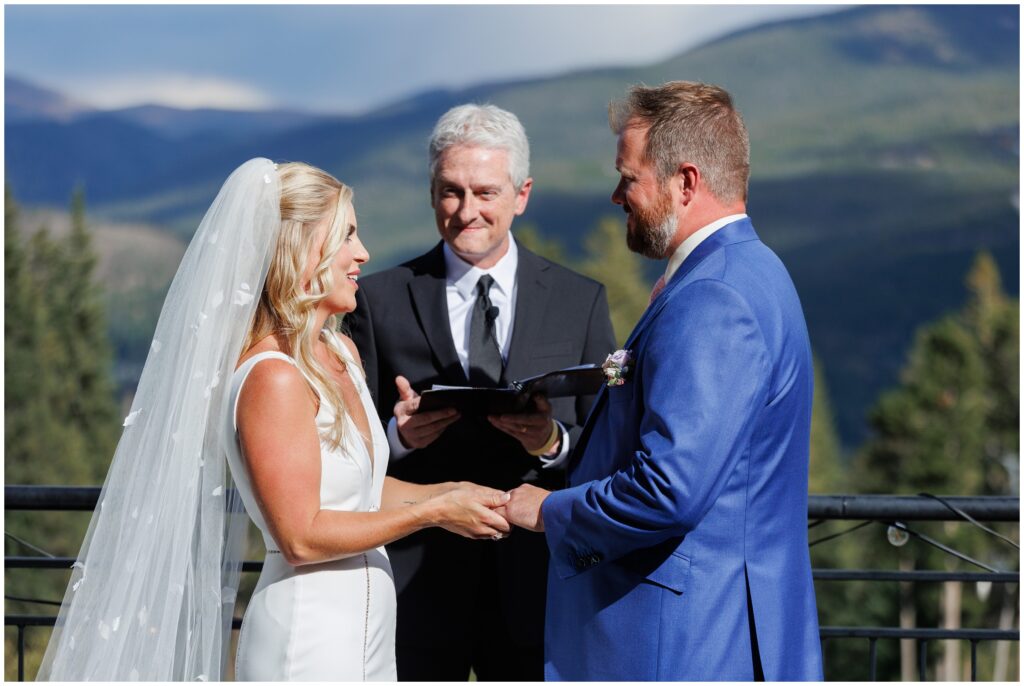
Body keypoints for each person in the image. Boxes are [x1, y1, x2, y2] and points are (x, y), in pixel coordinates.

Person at [37, 158, 511, 681]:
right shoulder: (273, 377)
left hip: (369, 633)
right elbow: (301, 536)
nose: (363, 254)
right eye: (347, 235)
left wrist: (452, 489)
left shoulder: (341, 352)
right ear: (300, 250)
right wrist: (434, 513)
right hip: (307, 638)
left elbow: (362, 491)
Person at [501, 81, 824, 680]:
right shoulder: (749, 271)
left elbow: (669, 488)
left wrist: (552, 512)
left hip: (681, 643)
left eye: (629, 178)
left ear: (686, 181)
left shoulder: (713, 298)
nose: (615, 195)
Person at [346, 104, 616, 680]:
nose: (466, 212)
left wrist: (552, 443)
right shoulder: (378, 299)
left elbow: (604, 440)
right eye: (450, 192)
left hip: (538, 581)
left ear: (522, 194)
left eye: (485, 193)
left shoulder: (579, 300)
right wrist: (397, 437)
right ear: (431, 191)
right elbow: (344, 446)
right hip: (414, 586)